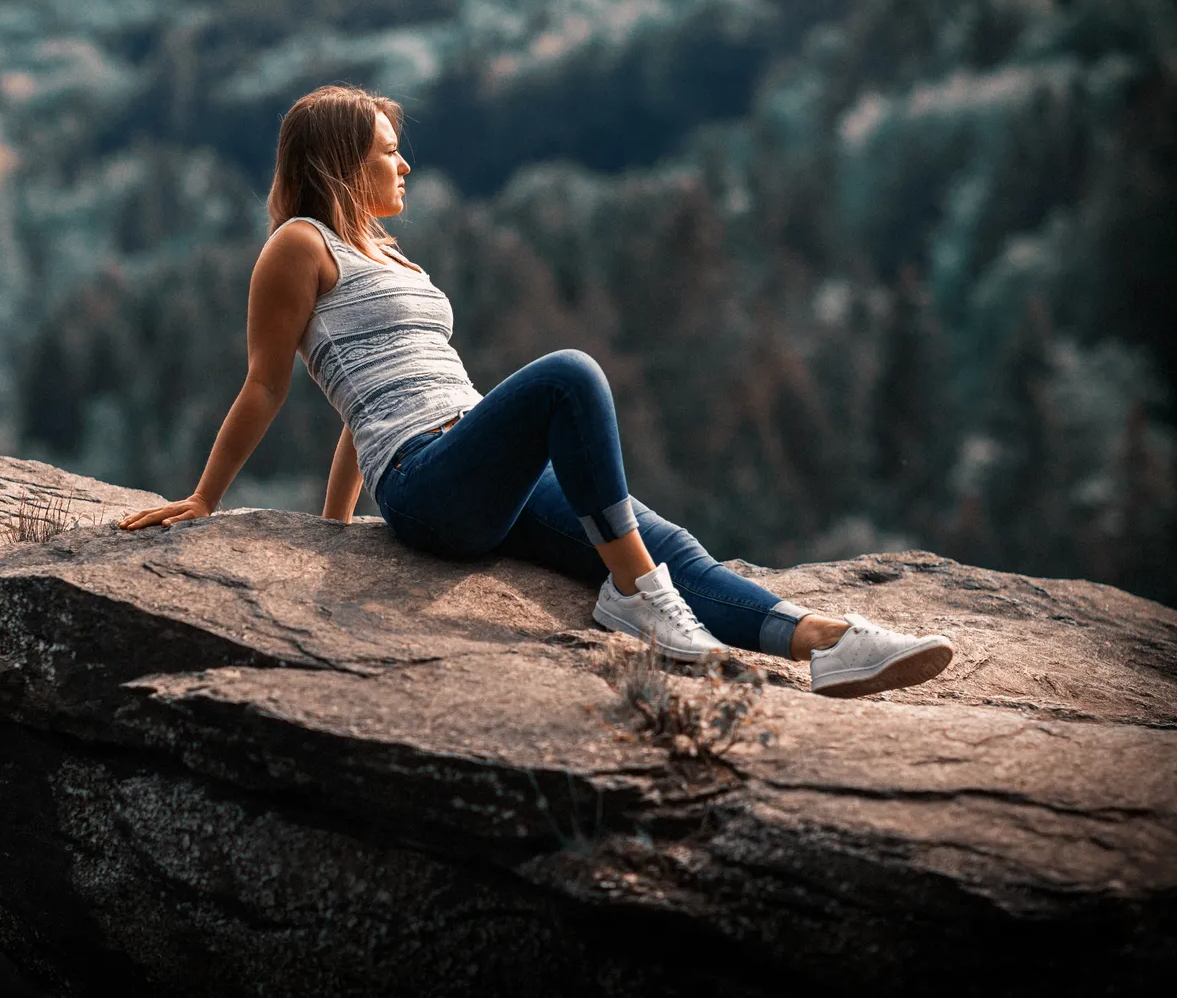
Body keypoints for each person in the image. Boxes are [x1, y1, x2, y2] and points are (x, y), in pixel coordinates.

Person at [118, 85, 954, 697]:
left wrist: (338, 526)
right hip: (428, 482)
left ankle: (826, 640)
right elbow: (267, 383)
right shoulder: (296, 246)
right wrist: (203, 498)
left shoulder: (392, 255)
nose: (404, 163)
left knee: (673, 544)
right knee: (569, 376)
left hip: (479, 461)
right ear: (340, 159)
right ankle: (637, 602)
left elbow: (362, 404)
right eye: (385, 150)